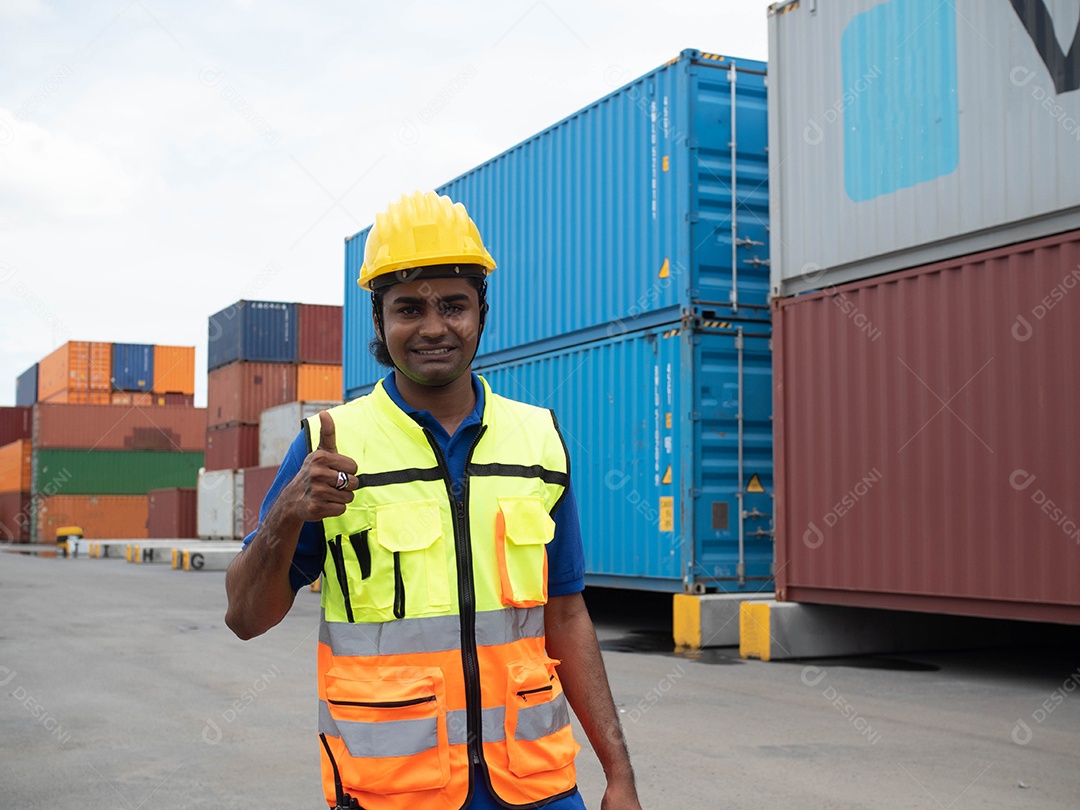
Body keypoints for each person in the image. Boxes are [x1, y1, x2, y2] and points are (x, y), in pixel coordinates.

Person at [225, 190, 642, 810]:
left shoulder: (539, 440)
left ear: (482, 311)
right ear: (380, 321)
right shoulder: (329, 446)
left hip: (537, 787)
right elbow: (245, 619)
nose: (433, 327)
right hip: (391, 791)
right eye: (409, 308)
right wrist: (285, 516)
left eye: (454, 305)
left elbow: (567, 615)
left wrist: (619, 772)